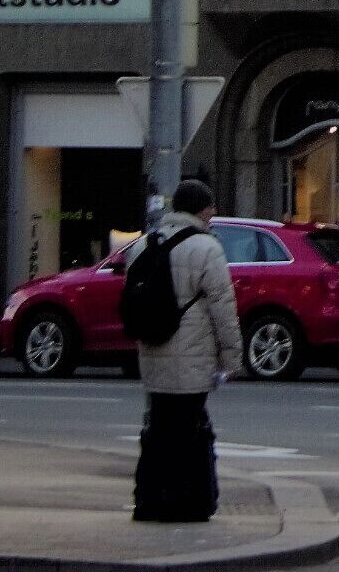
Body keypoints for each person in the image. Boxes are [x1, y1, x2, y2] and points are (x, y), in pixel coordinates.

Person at [130, 179, 244, 525]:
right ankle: (187, 502)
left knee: (158, 429)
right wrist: (232, 358)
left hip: (152, 353)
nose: (213, 213)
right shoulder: (206, 248)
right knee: (188, 430)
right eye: (210, 206)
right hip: (192, 357)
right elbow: (223, 308)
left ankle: (149, 501)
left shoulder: (143, 245)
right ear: (198, 208)